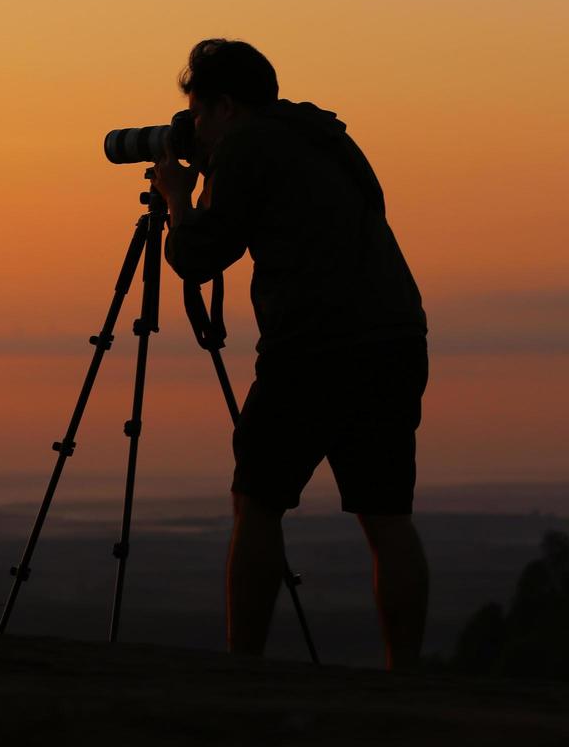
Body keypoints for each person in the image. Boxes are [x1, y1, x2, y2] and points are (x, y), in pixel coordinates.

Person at [152, 40, 429, 669]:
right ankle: (404, 676)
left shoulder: (248, 147)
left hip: (313, 347)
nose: (193, 128)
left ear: (225, 106)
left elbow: (197, 256)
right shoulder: (324, 136)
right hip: (393, 338)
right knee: (387, 515)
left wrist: (176, 196)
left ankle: (242, 665)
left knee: (257, 501)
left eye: (196, 114)